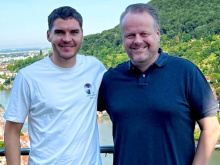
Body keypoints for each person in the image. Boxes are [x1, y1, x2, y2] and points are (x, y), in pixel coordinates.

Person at [98, 3, 220, 165]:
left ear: (157, 34)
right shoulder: (111, 79)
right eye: (130, 35)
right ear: (123, 39)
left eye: (144, 33)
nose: (137, 41)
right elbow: (77, 113)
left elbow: (211, 128)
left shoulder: (186, 72)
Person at [4, 6, 105, 165]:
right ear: (48, 35)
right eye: (59, 32)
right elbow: (12, 130)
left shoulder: (95, 67)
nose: (67, 38)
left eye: (74, 32)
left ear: (82, 35)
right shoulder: (28, 77)